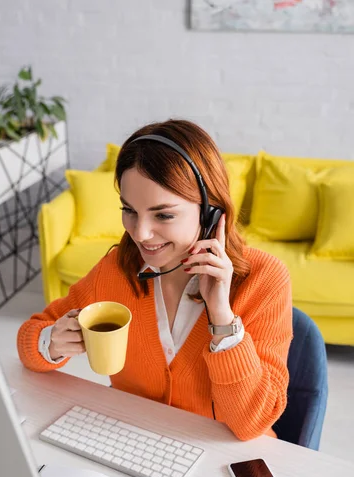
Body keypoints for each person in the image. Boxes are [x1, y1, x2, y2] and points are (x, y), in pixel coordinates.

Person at [17, 119, 293, 441]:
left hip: (222, 463)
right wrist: (51, 341)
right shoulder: (116, 270)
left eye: (163, 215)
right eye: (130, 210)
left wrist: (221, 317)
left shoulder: (265, 280)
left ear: (210, 212)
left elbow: (251, 424)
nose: (140, 233)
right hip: (136, 447)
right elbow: (29, 341)